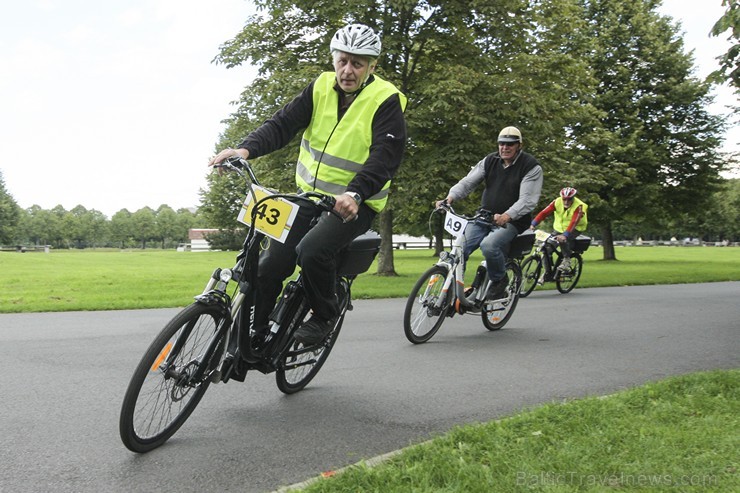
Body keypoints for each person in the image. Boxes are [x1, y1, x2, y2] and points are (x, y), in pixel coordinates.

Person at [208, 24, 407, 345]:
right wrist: (244, 149)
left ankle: (325, 314)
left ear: (373, 65)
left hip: (356, 204)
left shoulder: (385, 100)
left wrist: (356, 193)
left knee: (312, 251)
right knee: (270, 263)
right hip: (309, 197)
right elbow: (283, 124)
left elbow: (385, 156)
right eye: (342, 61)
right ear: (334, 59)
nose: (347, 70)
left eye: (357, 63)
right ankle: (256, 334)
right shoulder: (320, 88)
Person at [437, 126, 543, 299]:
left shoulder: (531, 167)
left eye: (510, 144)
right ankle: (451, 289)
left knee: (489, 245)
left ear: (519, 145)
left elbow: (527, 200)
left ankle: (499, 281)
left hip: (512, 222)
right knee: (460, 248)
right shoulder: (490, 160)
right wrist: (450, 197)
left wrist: (507, 215)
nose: (505, 148)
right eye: (501, 143)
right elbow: (467, 182)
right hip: (484, 217)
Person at [529, 187, 588, 272]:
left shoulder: (579, 206)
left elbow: (574, 222)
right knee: (547, 247)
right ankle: (547, 273)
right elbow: (544, 213)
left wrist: (565, 235)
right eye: (564, 199)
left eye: (569, 199)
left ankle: (567, 259)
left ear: (573, 198)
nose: (566, 202)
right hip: (559, 228)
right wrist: (533, 224)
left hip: (575, 228)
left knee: (562, 240)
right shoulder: (557, 202)